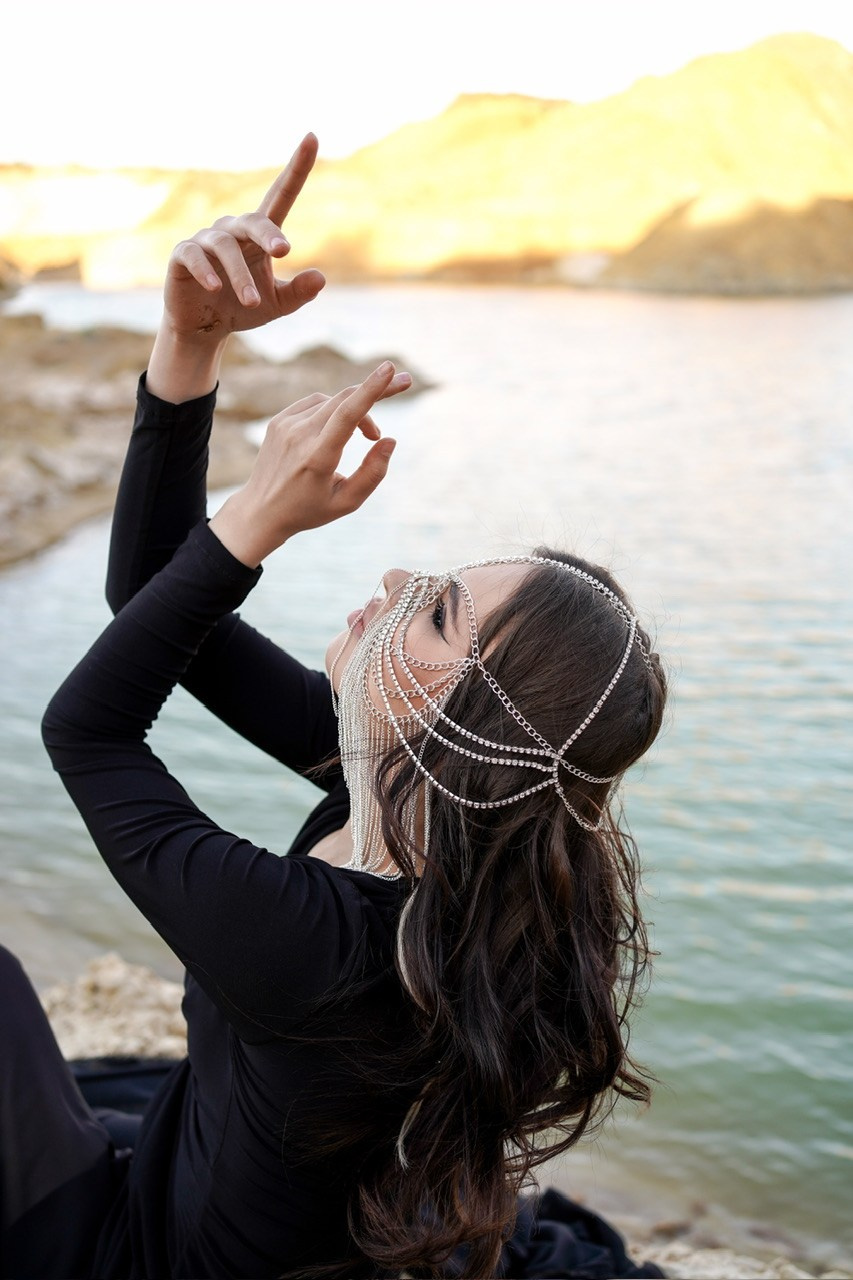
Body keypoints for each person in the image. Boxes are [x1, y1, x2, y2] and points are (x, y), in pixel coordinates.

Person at [2, 135, 667, 1279]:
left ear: (471, 725)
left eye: (439, 614)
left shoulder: (313, 938)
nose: (398, 582)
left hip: (141, 1255)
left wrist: (258, 512)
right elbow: (151, 598)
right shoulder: (434, 815)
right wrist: (188, 350)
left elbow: (88, 725)